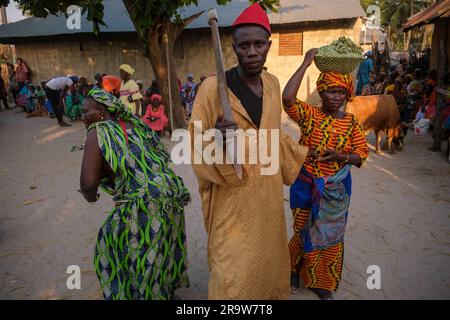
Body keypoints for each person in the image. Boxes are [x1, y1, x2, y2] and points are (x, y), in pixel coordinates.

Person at [189, 3, 308, 299]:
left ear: (268, 45)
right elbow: (193, 144)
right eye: (244, 45)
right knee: (232, 273)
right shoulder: (211, 88)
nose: (252, 51)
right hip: (232, 200)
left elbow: (273, 136)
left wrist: (304, 153)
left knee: (268, 265)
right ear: (233, 47)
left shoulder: (273, 83)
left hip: (266, 198)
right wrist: (218, 139)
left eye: (258, 44)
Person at [79, 89, 191, 300]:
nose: (82, 117)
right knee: (160, 250)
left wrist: (90, 195)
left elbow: (88, 182)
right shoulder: (135, 125)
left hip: (146, 199)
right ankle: (165, 292)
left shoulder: (99, 130)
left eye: (86, 112)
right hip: (171, 191)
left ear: (101, 111)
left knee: (114, 248)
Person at [283, 48, 369, 300]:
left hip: (335, 190)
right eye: (332, 91)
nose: (337, 97)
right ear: (321, 92)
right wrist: (305, 63)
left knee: (328, 236)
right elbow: (288, 99)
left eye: (342, 92)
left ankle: (320, 282)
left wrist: (341, 156)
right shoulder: (310, 115)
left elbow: (361, 154)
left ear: (348, 94)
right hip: (305, 183)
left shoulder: (351, 122)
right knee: (301, 229)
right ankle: (293, 268)